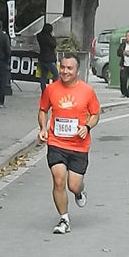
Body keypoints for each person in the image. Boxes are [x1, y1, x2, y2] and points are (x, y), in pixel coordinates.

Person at [38, 53, 100, 235]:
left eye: (69, 68)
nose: (65, 71)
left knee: (73, 185)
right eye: (62, 67)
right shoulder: (51, 89)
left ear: (77, 71)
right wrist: (43, 128)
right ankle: (64, 219)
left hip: (79, 146)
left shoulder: (87, 91)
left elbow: (95, 114)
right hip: (56, 143)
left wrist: (87, 127)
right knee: (58, 180)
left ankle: (80, 192)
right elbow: (43, 110)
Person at [37, 23, 59, 92]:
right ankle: (53, 89)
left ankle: (44, 91)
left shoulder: (39, 36)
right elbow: (54, 45)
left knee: (43, 77)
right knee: (56, 74)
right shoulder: (48, 38)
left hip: (42, 58)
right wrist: (53, 37)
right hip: (49, 59)